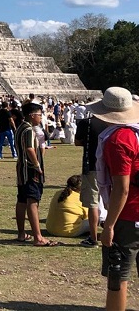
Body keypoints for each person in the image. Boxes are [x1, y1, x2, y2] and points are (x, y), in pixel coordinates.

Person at [87, 87, 139, 310]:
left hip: (128, 215)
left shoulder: (118, 140)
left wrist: (109, 225)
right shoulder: (136, 133)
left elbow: (121, 188)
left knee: (118, 274)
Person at [14, 101, 57, 246]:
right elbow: (29, 149)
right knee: (33, 201)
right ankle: (38, 237)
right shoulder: (28, 130)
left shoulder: (20, 127)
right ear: (32, 116)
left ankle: (21, 234)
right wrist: (37, 164)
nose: (41, 117)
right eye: (39, 115)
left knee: (21, 200)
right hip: (30, 170)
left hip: (22, 169)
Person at [75, 113, 109, 247]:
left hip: (92, 165)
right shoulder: (110, 123)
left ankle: (93, 238)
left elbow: (77, 142)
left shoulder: (86, 123)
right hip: (108, 165)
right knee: (110, 200)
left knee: (93, 203)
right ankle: (112, 232)